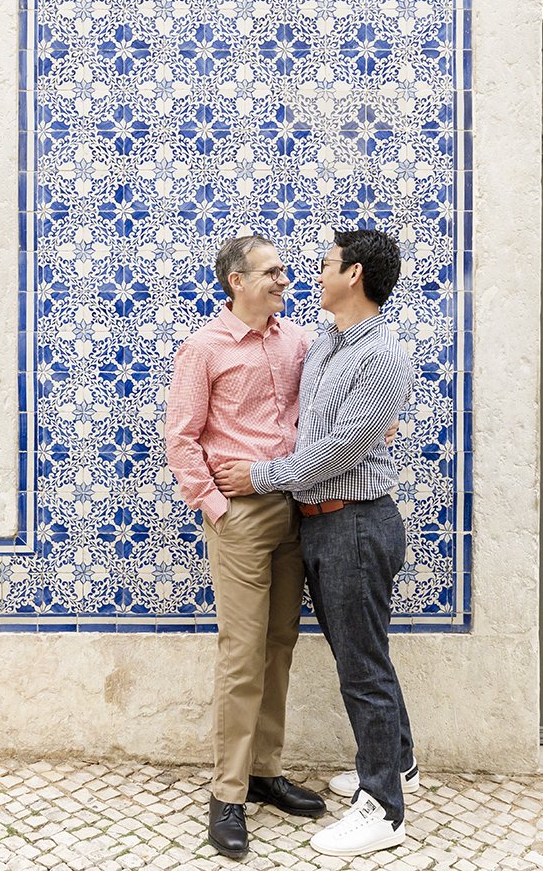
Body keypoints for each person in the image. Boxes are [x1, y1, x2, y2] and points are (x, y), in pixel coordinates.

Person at [214, 228, 417, 858]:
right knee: (361, 654)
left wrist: (258, 476)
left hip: (355, 520)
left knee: (362, 669)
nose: (309, 273)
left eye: (325, 263)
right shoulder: (327, 337)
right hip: (323, 524)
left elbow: (332, 454)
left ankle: (383, 808)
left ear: (353, 275)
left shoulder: (381, 357)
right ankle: (399, 763)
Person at [164, 234, 326, 860]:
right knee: (241, 652)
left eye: (284, 272)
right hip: (240, 516)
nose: (284, 280)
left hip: (296, 507)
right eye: (272, 272)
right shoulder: (203, 348)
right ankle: (227, 794)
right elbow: (182, 437)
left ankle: (264, 771)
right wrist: (216, 508)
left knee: (280, 643)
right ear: (236, 280)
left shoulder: (299, 342)